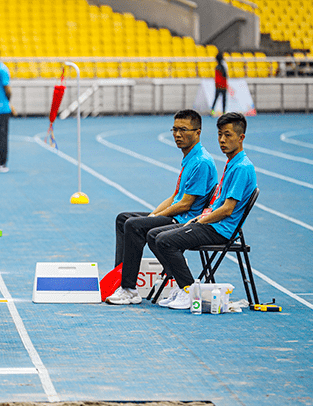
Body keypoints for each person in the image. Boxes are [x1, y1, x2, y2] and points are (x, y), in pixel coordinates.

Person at [147, 112, 257, 310]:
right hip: (212, 222)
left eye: (228, 135)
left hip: (220, 230)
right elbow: (217, 205)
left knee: (164, 240)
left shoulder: (242, 167)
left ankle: (188, 290)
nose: (222, 140)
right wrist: (200, 217)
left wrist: (199, 221)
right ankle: (181, 284)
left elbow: (227, 209)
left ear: (241, 138)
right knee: (155, 234)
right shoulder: (233, 163)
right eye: (220, 134)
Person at [106, 110, 217, 305]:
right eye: (174, 129)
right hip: (178, 213)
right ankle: (121, 278)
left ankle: (129, 289)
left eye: (183, 130)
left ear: (198, 133)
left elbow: (185, 204)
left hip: (185, 219)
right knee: (123, 218)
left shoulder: (201, 162)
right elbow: (175, 196)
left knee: (134, 225)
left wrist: (152, 218)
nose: (177, 134)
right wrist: (153, 214)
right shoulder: (190, 158)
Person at [211, 52, 228, 116]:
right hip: (222, 85)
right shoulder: (223, 67)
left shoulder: (217, 67)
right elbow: (225, 76)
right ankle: (223, 111)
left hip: (218, 85)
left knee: (216, 98)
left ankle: (212, 110)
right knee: (223, 99)